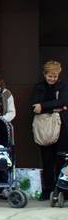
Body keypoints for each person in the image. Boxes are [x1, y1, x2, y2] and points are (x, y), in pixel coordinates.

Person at [31, 60, 68, 200]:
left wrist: (43, 106)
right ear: (44, 74)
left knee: (61, 159)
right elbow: (34, 105)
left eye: (55, 76)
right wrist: (55, 107)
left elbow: (63, 102)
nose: (52, 79)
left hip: (62, 127)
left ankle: (61, 190)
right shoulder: (39, 87)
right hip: (44, 128)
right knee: (47, 160)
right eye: (50, 76)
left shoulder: (63, 86)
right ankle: (47, 190)